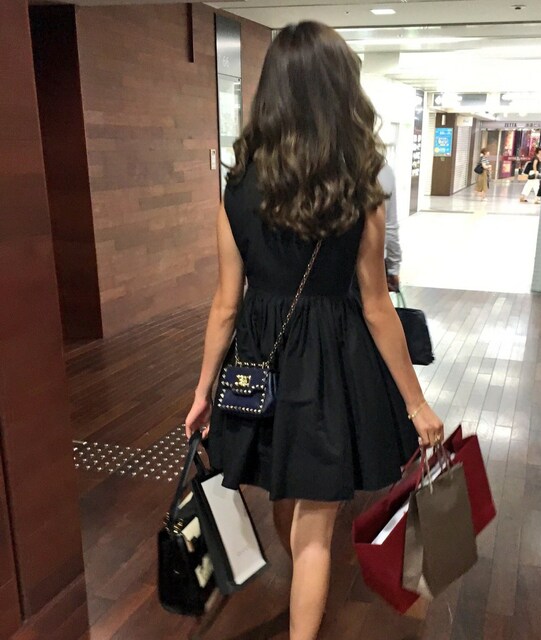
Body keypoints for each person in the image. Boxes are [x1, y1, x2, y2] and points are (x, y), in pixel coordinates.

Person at [184, 21, 443, 640]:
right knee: (316, 530)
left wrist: (202, 391)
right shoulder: (359, 186)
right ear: (340, 89)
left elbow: (225, 302)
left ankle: (303, 579)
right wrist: (417, 404)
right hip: (332, 360)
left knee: (284, 491)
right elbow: (376, 305)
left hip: (259, 358)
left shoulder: (238, 186)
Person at [378, 162, 402, 291]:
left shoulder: (322, 168)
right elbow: (389, 226)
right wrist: (393, 267)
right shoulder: (382, 170)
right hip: (373, 266)